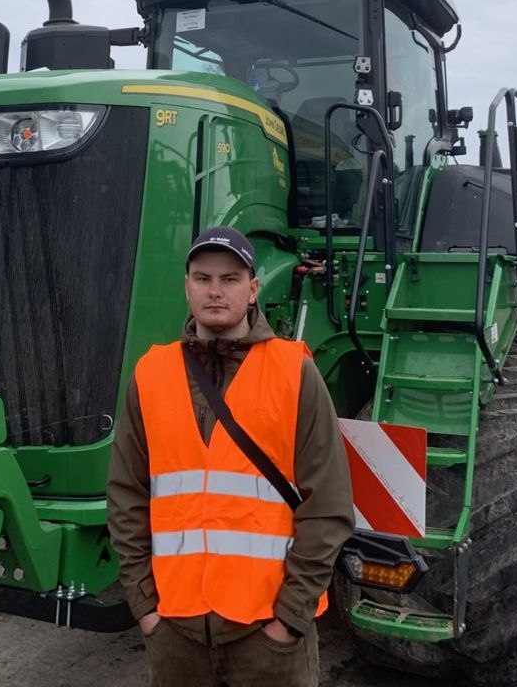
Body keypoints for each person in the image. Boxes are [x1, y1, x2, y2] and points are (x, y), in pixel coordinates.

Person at [107, 225, 355, 687]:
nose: (215, 291)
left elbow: (329, 508)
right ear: (187, 287)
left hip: (267, 641)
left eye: (230, 279)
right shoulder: (151, 375)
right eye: (203, 278)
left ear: (253, 288)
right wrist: (145, 610)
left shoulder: (294, 372)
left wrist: (289, 621)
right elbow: (126, 497)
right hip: (176, 637)